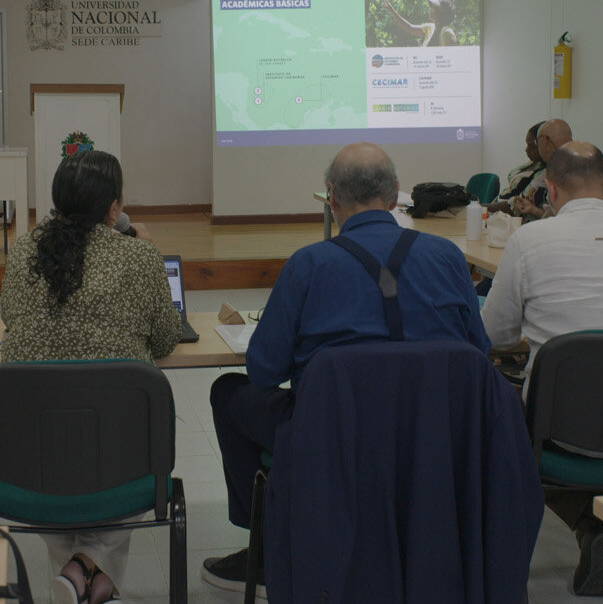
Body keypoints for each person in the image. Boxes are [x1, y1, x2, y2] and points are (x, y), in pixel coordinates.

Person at [202, 142, 489, 594]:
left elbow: (262, 371)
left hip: (331, 436)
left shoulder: (308, 265)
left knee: (229, 392)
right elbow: (478, 351)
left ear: (331, 196)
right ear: (396, 195)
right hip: (434, 433)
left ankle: (264, 547)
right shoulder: (448, 258)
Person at [480, 142, 603, 596]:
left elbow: (492, 337)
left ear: (548, 190)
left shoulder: (528, 241)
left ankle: (585, 526)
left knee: (507, 414)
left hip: (560, 427)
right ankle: (599, 526)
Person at [0, 150, 180, 604]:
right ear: (114, 209)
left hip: (28, 453)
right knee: (123, 445)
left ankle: (81, 579)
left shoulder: (23, 250)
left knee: (66, 456)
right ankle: (88, 570)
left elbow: (10, 318)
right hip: (119, 452)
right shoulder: (138, 257)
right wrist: (144, 246)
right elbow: (163, 340)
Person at [512, 118, 572, 220]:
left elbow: (558, 219)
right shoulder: (577, 164)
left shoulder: (560, 171)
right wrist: (532, 209)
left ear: (545, 140)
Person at [487, 121, 547, 213]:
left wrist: (485, 207)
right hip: (496, 210)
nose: (526, 150)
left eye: (531, 146)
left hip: (510, 216)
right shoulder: (532, 163)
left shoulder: (544, 174)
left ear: (542, 145)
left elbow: (517, 204)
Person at [380, 0, 458, 46]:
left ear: (441, 14)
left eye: (434, 7)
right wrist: (392, 11)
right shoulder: (431, 27)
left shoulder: (446, 32)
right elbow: (409, 28)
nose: (430, 9)